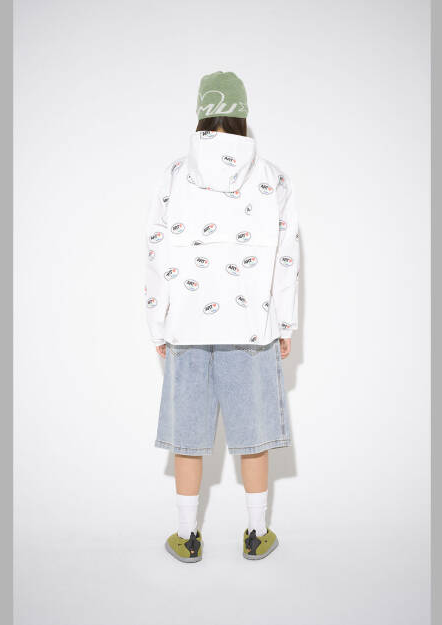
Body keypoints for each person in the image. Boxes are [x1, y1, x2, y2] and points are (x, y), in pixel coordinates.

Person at [144, 71, 300, 562]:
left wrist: (158, 322)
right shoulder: (272, 178)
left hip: (187, 327)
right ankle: (257, 532)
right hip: (251, 328)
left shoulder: (174, 175)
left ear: (201, 114)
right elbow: (286, 259)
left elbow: (156, 253)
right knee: (254, 435)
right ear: (243, 115)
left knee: (188, 438)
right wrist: (285, 323)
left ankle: (187, 536)